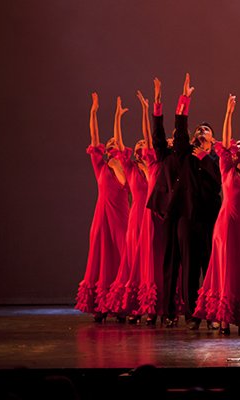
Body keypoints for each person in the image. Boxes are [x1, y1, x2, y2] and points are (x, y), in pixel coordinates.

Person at [146, 73, 221, 328]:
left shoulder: (212, 160)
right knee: (171, 262)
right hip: (174, 212)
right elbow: (165, 135)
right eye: (198, 129)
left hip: (200, 217)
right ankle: (169, 311)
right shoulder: (182, 152)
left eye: (206, 129)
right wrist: (177, 102)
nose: (200, 131)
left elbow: (215, 189)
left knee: (194, 264)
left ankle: (194, 312)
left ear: (212, 139)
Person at [193, 94, 240, 335]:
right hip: (225, 224)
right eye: (238, 145)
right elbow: (225, 141)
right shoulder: (226, 166)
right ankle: (224, 319)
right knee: (226, 268)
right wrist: (228, 114)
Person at [76, 93, 130, 322]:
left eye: (114, 144)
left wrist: (118, 118)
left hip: (121, 217)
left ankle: (119, 304)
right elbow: (94, 136)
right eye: (108, 145)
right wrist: (94, 112)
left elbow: (125, 183)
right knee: (100, 257)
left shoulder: (123, 165)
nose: (109, 145)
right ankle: (100, 304)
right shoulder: (100, 165)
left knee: (121, 258)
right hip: (102, 216)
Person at [103, 96, 150, 322]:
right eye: (138, 143)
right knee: (133, 261)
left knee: (149, 262)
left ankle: (149, 306)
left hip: (152, 218)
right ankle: (132, 306)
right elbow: (120, 144)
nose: (140, 145)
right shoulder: (129, 167)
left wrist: (146, 112)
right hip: (136, 218)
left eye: (144, 143)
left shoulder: (152, 168)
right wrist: (117, 118)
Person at [133, 85, 168, 325]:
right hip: (152, 213)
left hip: (167, 212)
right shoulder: (153, 162)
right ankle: (150, 306)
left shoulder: (171, 163)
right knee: (151, 258)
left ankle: (167, 306)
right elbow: (149, 136)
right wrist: (149, 107)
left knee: (165, 259)